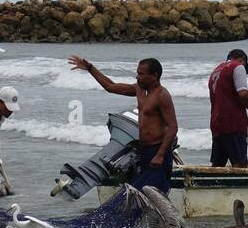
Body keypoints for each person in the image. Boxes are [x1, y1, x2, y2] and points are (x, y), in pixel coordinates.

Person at [69, 55, 179, 192]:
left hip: (157, 151)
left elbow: (173, 127)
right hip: (144, 150)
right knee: (141, 190)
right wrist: (90, 68)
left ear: (154, 75)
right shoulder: (139, 89)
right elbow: (110, 86)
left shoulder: (162, 95)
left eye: (141, 74)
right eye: (137, 73)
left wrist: (160, 155)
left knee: (153, 191)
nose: (137, 77)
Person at [208, 49, 248, 167]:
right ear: (243, 60)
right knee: (240, 164)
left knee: (218, 165)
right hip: (233, 122)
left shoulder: (217, 70)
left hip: (216, 122)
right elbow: (243, 93)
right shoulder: (238, 66)